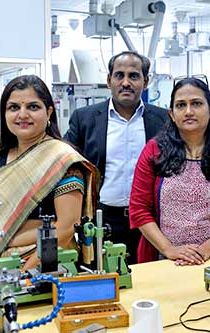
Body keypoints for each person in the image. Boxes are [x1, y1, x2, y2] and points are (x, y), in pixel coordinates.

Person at [0, 75, 98, 272]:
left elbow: (66, 228)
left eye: (33, 107)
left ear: (49, 112)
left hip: (45, 266)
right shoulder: (0, 158)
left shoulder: (63, 160)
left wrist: (25, 275)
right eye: (14, 107)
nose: (22, 115)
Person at [64, 51, 167, 264]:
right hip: (102, 221)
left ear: (145, 82)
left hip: (149, 222)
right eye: (119, 75)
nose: (126, 82)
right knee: (102, 279)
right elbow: (64, 163)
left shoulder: (163, 120)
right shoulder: (85, 119)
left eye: (134, 76)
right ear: (109, 80)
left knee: (148, 280)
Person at [129, 77, 210, 265]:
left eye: (196, 103)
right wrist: (169, 249)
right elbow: (139, 209)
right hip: (160, 259)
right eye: (180, 105)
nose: (188, 111)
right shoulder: (154, 151)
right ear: (171, 114)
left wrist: (203, 251)